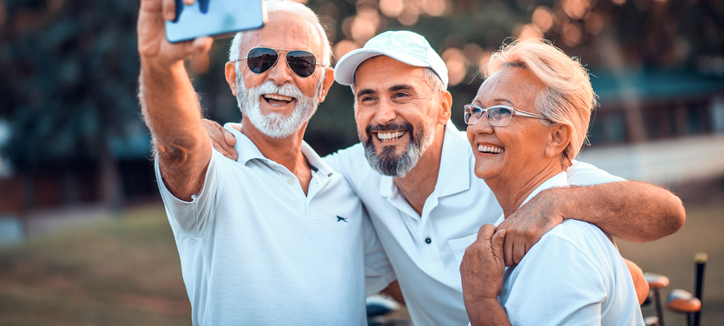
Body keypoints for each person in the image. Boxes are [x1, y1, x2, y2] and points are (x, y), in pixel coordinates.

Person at [208, 32, 685, 326]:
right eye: (367, 98)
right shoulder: (352, 170)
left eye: (401, 94)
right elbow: (285, 170)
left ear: (441, 107)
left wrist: (558, 206)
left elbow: (668, 214)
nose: (383, 114)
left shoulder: (496, 158)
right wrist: (205, 131)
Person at [136, 0, 393, 326]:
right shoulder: (216, 171)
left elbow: (406, 275)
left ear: (323, 85)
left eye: (301, 63)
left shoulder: (347, 186)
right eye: (261, 60)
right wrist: (161, 66)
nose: (281, 75)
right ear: (233, 77)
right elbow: (177, 146)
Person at [460, 39, 645, 325]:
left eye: (502, 112)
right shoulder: (525, 228)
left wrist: (480, 301)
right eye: (476, 110)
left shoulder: (559, 247)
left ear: (556, 138)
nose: (479, 127)